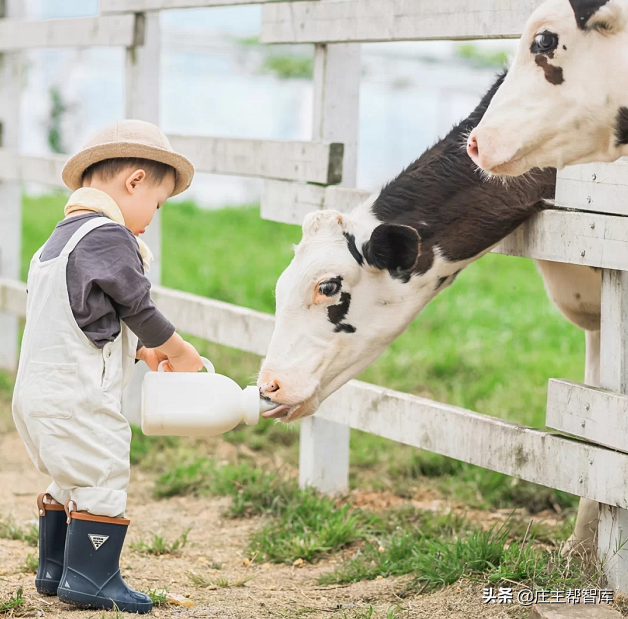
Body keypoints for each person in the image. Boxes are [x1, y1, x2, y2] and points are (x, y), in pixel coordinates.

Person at [12, 120, 203, 613]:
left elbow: (86, 316)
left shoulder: (57, 240)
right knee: (101, 473)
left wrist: (140, 350)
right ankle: (92, 579)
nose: (153, 218)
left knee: (69, 476)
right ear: (134, 182)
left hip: (36, 396)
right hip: (77, 397)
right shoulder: (108, 236)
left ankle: (56, 569)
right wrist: (178, 350)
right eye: (157, 205)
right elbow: (137, 306)